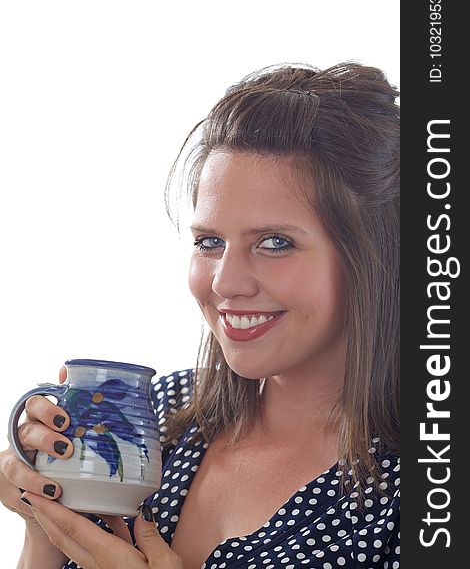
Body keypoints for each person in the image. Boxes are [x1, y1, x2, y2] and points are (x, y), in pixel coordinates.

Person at [0, 61, 400, 568]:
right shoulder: (159, 414)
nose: (224, 282)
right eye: (210, 242)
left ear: (378, 256)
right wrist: (45, 525)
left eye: (275, 243)